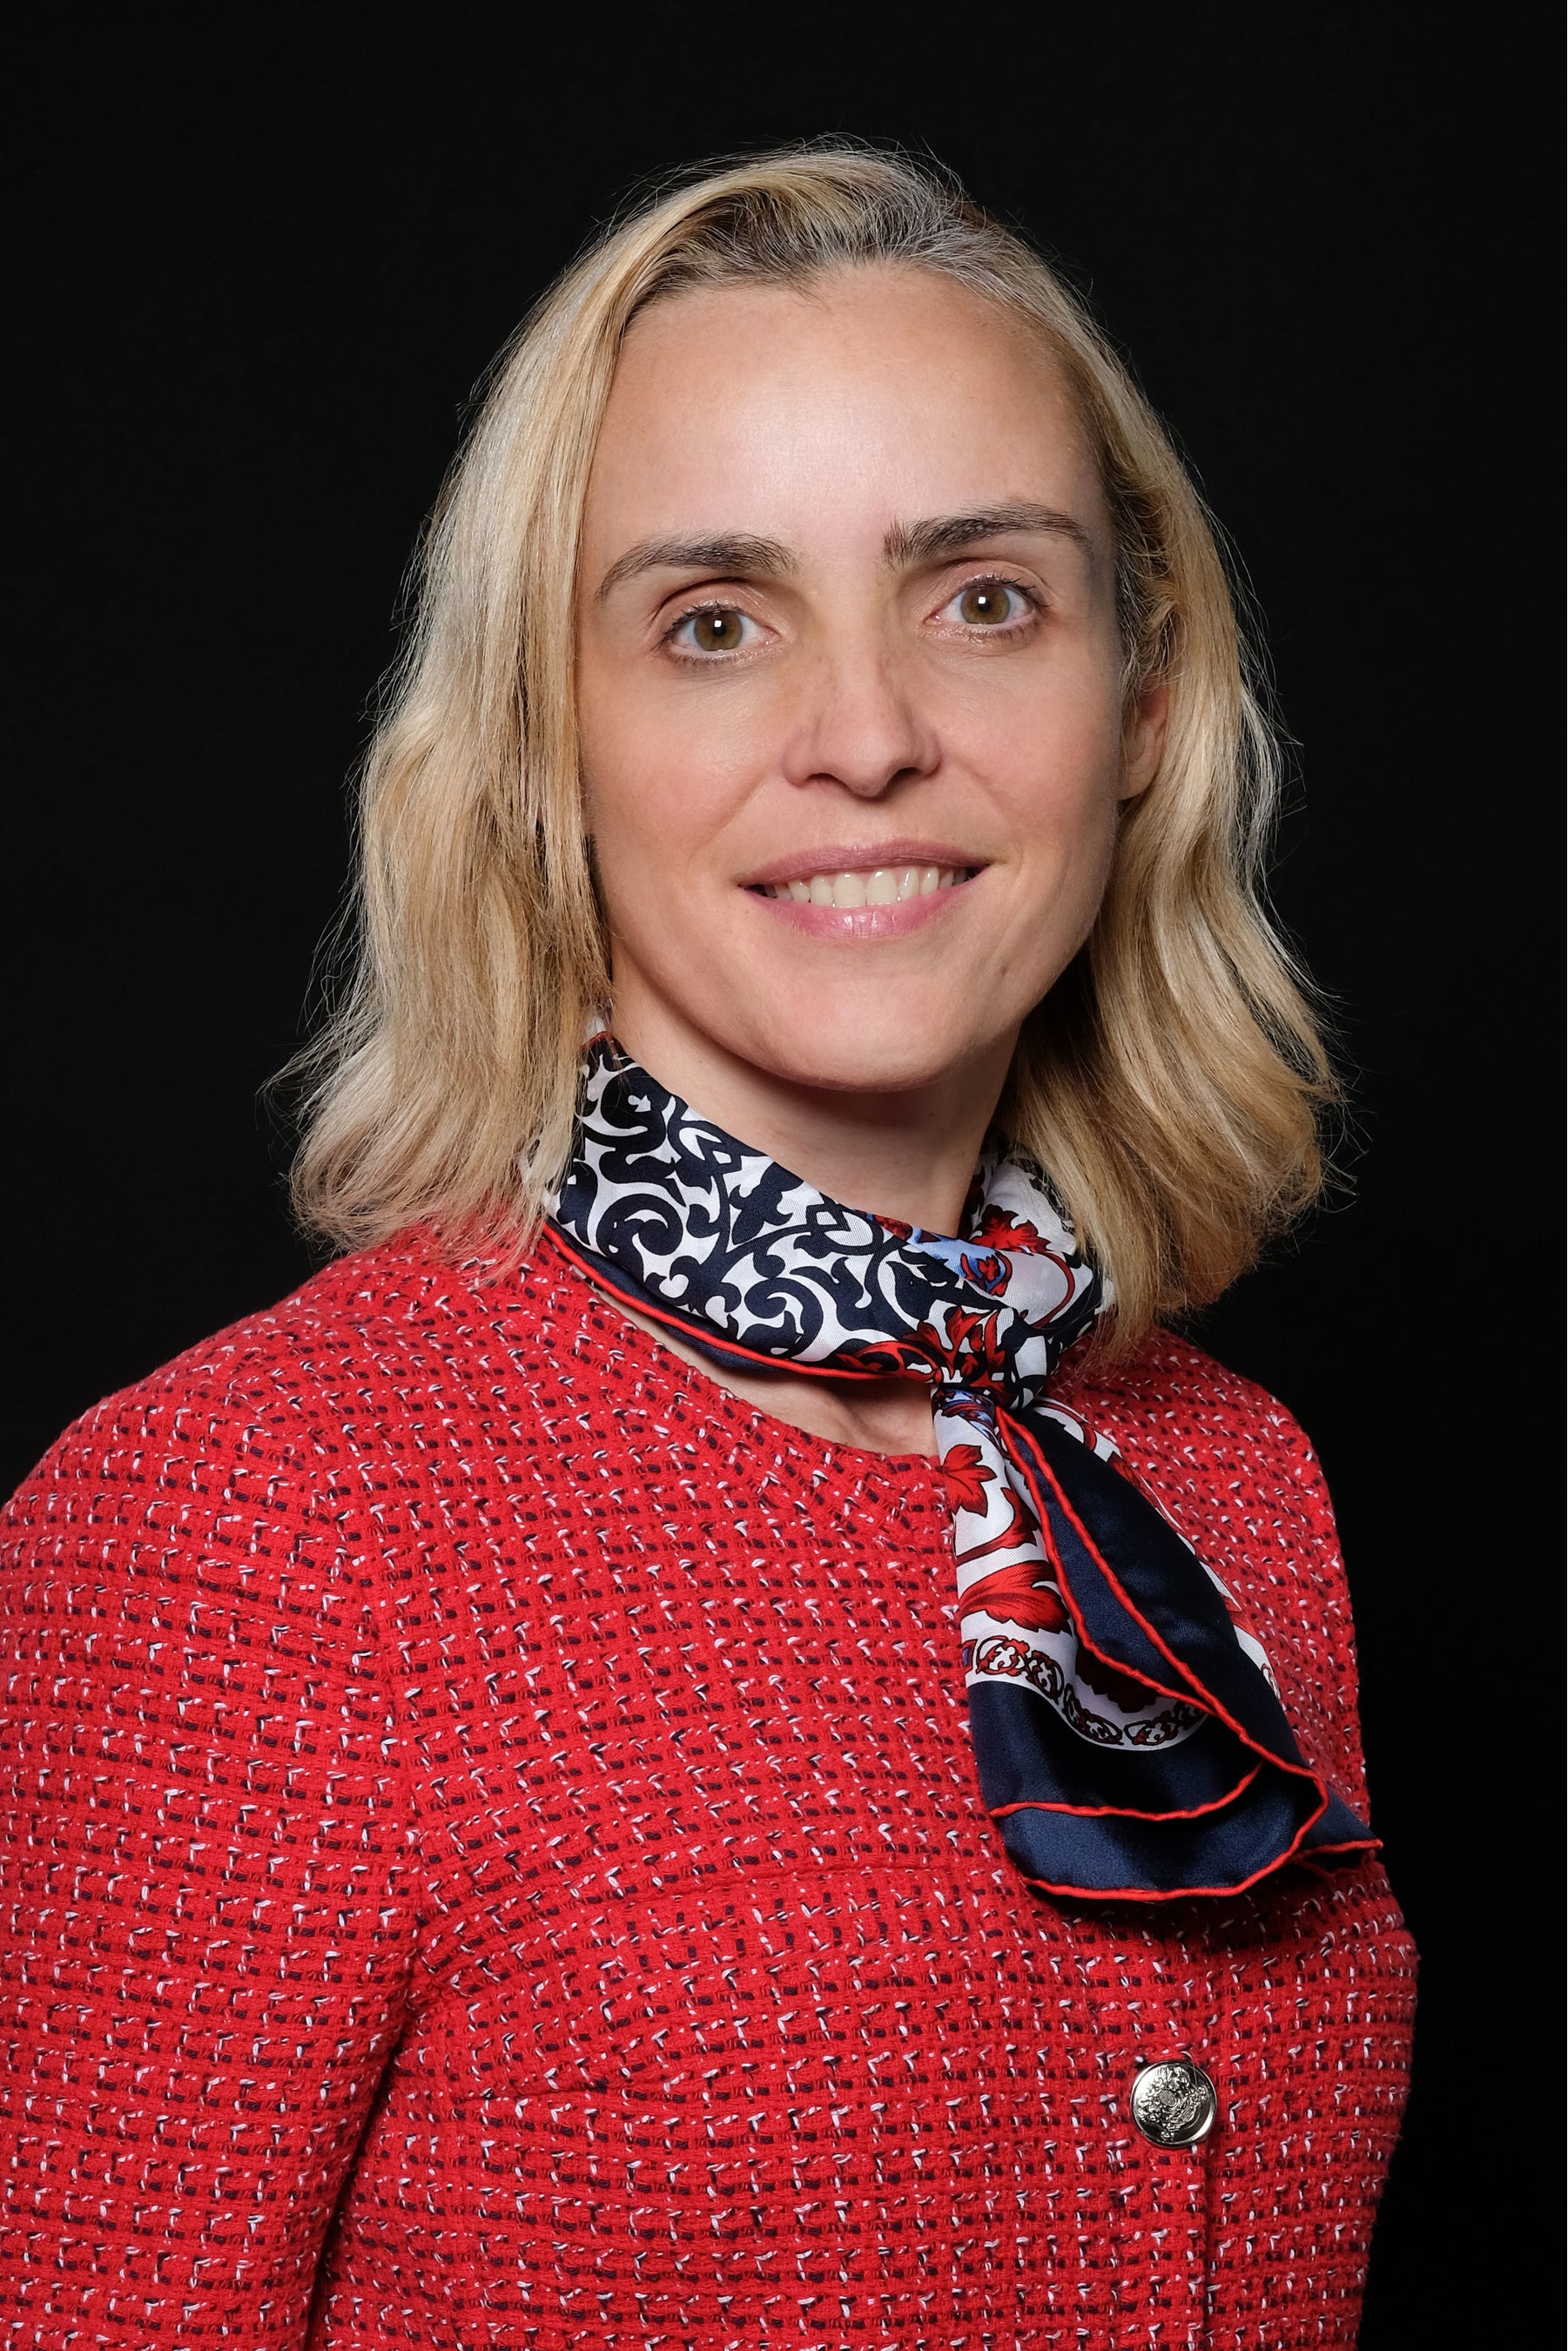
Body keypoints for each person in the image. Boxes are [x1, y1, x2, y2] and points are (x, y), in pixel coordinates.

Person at [0, 144, 1415, 2347]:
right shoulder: (256, 1524)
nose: (866, 738)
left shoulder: (1232, 1487)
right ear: (541, 753)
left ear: (1141, 708)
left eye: (983, 599)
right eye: (714, 625)